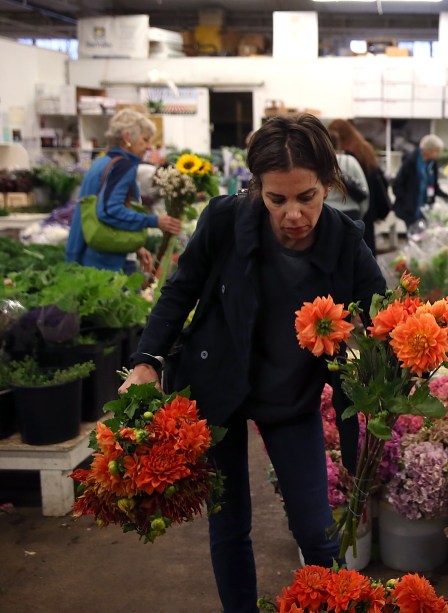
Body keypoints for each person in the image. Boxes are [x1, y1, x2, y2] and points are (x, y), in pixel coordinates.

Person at [120, 114, 387, 613]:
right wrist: (147, 360)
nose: (292, 214)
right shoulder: (225, 220)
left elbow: (377, 320)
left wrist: (370, 361)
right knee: (230, 524)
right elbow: (179, 292)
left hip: (290, 397)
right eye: (276, 199)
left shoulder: (345, 241)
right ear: (256, 188)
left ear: (327, 184)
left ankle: (327, 604)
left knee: (316, 528)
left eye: (306, 197)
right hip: (216, 386)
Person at [66, 109, 182, 273]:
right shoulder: (123, 166)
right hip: (107, 263)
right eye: (145, 140)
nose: (149, 147)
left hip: (87, 254)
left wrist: (135, 248)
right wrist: (154, 221)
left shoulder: (102, 162)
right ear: (127, 138)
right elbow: (109, 210)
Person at [327, 119, 393, 253]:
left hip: (349, 212)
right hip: (365, 210)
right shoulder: (364, 149)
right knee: (364, 255)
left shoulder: (343, 158)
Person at [392, 133, 448, 228]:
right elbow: (397, 185)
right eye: (437, 151)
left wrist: (446, 197)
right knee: (413, 235)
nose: (439, 154)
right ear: (428, 150)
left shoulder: (432, 163)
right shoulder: (411, 162)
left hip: (425, 209)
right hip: (411, 210)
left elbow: (434, 186)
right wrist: (407, 203)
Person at [325, 130, 369, 222]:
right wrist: (361, 213)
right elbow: (364, 190)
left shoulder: (319, 162)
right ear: (338, 143)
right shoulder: (350, 161)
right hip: (351, 213)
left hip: (326, 213)